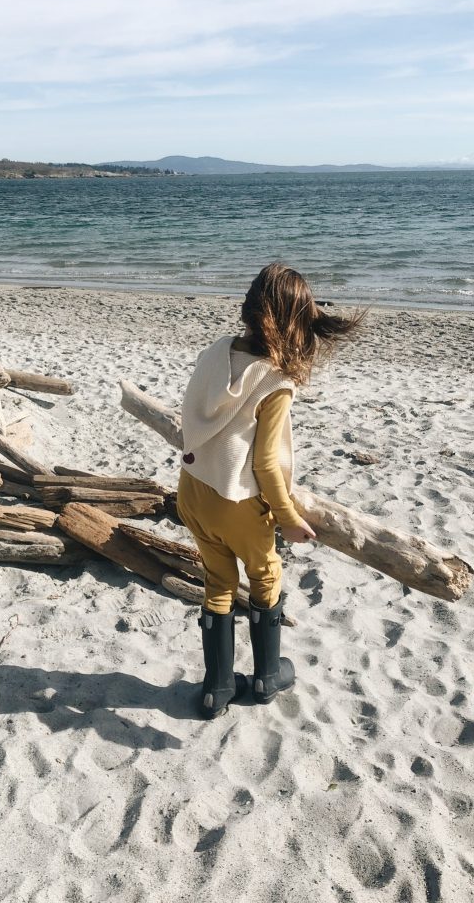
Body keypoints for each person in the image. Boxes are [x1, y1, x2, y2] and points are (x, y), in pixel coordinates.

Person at [177, 263, 363, 719]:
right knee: (265, 578)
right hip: (238, 504)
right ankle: (265, 678)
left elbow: (190, 413)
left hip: (192, 490)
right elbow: (263, 463)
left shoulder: (216, 352)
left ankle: (215, 689)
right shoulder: (275, 382)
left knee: (218, 582)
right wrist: (286, 517)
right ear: (294, 321)